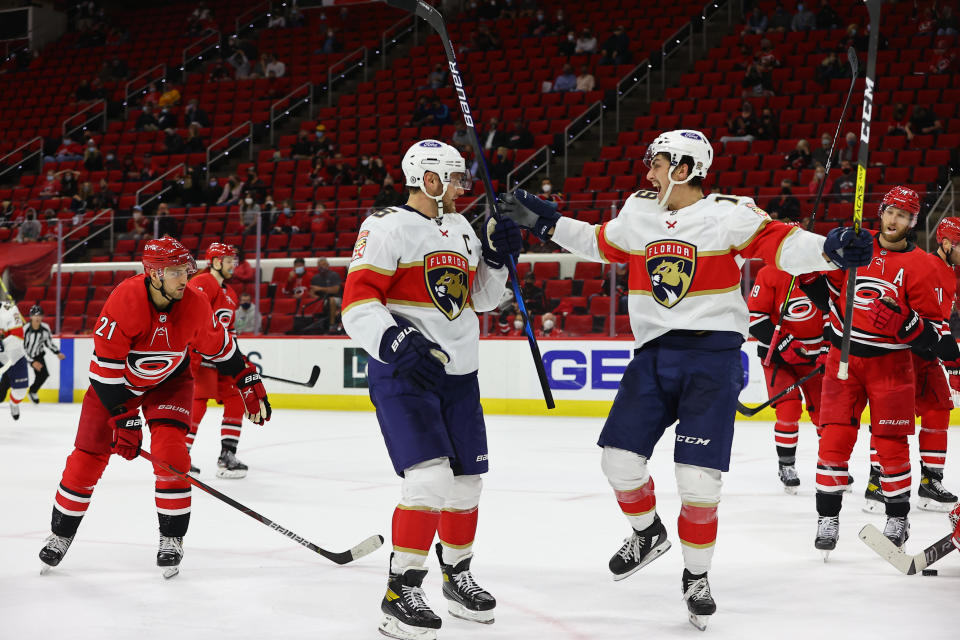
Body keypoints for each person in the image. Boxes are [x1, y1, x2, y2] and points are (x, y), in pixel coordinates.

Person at [496, 129, 872, 629]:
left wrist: (831, 249)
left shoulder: (730, 213)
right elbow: (599, 242)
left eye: (658, 164)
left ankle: (696, 576)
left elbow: (783, 245)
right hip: (653, 355)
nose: (648, 173)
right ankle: (647, 532)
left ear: (685, 168)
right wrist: (546, 223)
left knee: (697, 481)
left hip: (712, 359)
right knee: (618, 462)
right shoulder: (638, 211)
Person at [342, 139, 522, 639]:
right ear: (428, 179)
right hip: (406, 372)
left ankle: (457, 575)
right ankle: (401, 590)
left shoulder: (460, 227)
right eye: (455, 178)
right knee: (428, 479)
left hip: (460, 373)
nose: (463, 187)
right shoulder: (385, 226)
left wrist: (498, 257)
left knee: (467, 483)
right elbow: (357, 305)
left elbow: (480, 299)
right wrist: (396, 338)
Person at [36, 237, 270, 577]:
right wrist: (124, 418)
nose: (184, 279)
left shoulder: (195, 302)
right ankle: (60, 535)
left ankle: (171, 539)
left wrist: (245, 378)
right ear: (153, 274)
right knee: (85, 461)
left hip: (169, 385)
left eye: (185, 270)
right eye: (175, 272)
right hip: (114, 387)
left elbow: (220, 346)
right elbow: (103, 372)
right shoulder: (125, 299)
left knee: (173, 457)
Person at [802, 187, 942, 558]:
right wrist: (810, 274)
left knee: (892, 445)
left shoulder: (925, 266)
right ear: (880, 212)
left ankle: (897, 517)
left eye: (904, 215)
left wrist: (907, 323)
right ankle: (827, 518)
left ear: (914, 222)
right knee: (833, 439)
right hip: (843, 359)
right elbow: (828, 297)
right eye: (890, 212)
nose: (894, 220)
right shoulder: (858, 248)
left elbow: (936, 337)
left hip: (892, 364)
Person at [864, 216, 960, 513]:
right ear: (945, 243)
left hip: (926, 354)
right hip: (902, 353)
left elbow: (941, 321)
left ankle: (930, 481)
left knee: (937, 409)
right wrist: (952, 360)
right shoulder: (926, 265)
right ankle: (877, 481)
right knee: (890, 419)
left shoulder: (951, 273)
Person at [748, 263, 828, 493]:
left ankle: (830, 464)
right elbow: (756, 321)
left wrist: (827, 347)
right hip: (778, 358)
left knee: (825, 414)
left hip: (814, 357)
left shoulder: (820, 270)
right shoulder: (769, 273)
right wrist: (784, 342)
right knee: (789, 409)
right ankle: (786, 466)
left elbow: (831, 311)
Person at [186, 243, 250, 479]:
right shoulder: (203, 282)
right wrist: (204, 348)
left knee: (236, 397)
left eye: (234, 259)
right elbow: (191, 316)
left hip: (220, 358)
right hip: (199, 356)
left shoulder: (230, 293)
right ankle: (181, 455)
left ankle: (227, 455)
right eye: (228, 259)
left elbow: (229, 332)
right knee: (197, 403)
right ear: (215, 262)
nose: (233, 264)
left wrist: (237, 358)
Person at [22, 305, 65, 403]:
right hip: (25, 355)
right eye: (34, 315)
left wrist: (57, 352)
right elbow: (22, 348)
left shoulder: (45, 328)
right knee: (12, 377)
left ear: (42, 317)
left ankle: (32, 391)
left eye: (39, 315)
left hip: (38, 354)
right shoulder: (25, 329)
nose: (37, 317)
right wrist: (32, 361)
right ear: (31, 317)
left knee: (43, 375)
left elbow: (48, 342)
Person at [0, 296, 28, 420]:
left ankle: (14, 403)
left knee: (20, 391)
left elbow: (18, 337)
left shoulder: (10, 309)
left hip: (14, 356)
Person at [304, 258, 342, 334]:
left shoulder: (334, 275)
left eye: (323, 265)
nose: (322, 267)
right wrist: (316, 297)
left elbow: (336, 290)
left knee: (331, 300)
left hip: (337, 299)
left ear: (328, 265)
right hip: (321, 300)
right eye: (320, 265)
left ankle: (332, 325)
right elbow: (311, 292)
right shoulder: (315, 278)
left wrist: (320, 288)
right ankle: (313, 326)